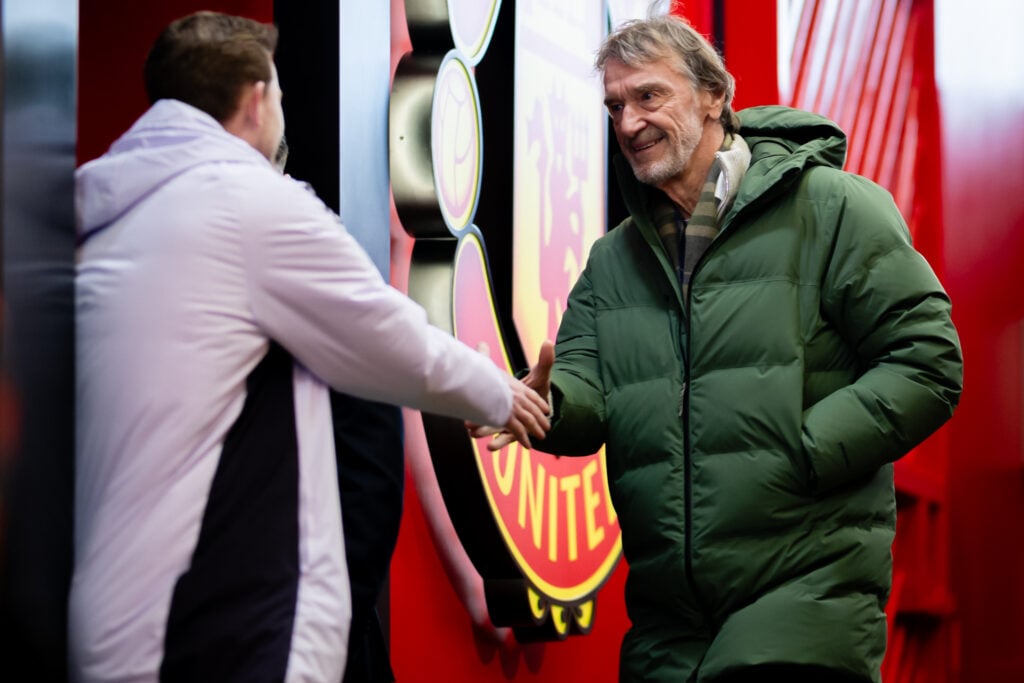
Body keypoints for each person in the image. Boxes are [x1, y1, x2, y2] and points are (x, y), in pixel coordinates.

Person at [473, 14, 963, 683]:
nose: (628, 122)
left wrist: (803, 447)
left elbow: (929, 361)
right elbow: (587, 397)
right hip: (668, 625)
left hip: (802, 596)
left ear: (714, 96)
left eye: (649, 96)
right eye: (615, 105)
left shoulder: (833, 208)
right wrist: (540, 405)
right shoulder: (611, 261)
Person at [71, 11, 549, 683]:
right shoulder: (247, 203)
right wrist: (505, 395)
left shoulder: (104, 213)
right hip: (218, 626)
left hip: (110, 623)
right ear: (256, 99)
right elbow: (390, 335)